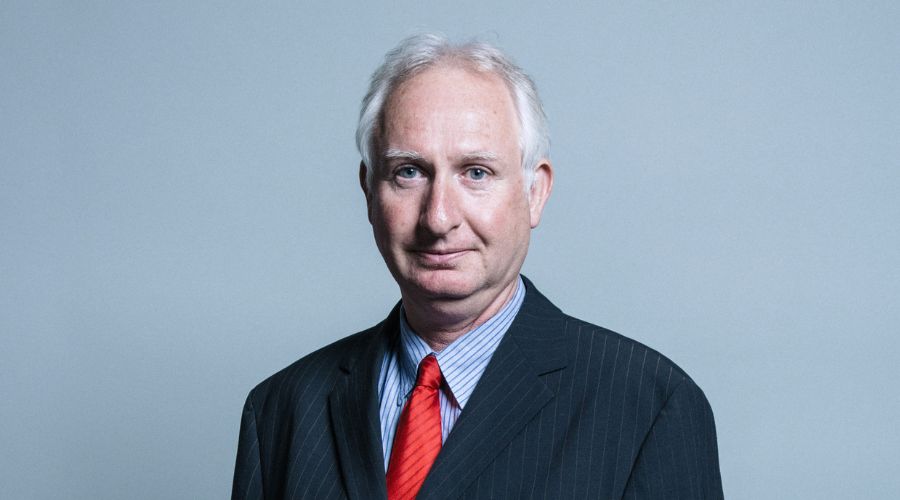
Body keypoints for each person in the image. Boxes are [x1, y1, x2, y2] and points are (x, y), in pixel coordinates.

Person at [232, 33, 723, 500]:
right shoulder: (281, 410)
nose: (439, 217)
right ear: (368, 190)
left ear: (535, 192)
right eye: (409, 172)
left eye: (476, 172)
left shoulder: (649, 406)